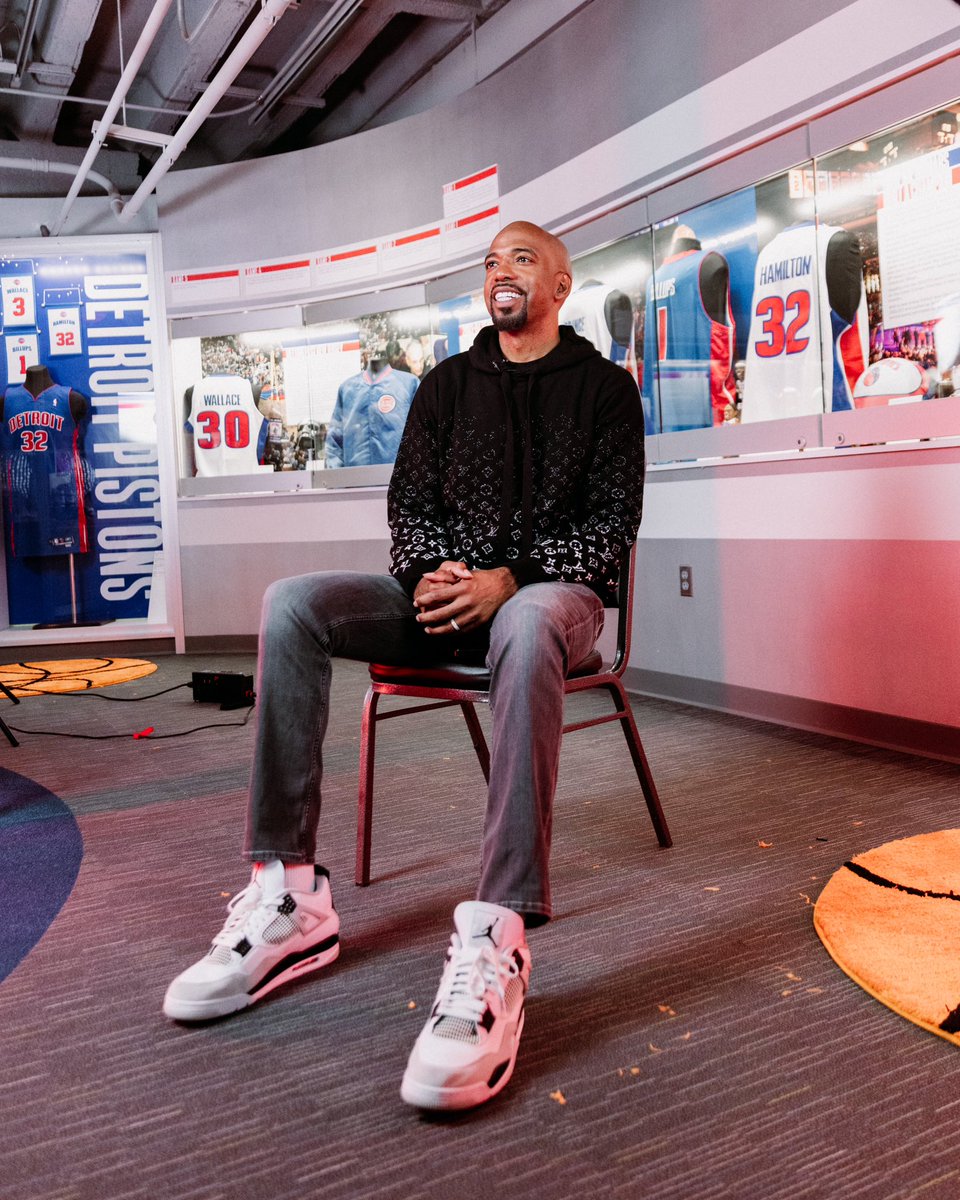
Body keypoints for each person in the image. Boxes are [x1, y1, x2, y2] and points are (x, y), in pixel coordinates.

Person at [163, 221, 647, 1112]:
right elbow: (410, 508)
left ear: (562, 286)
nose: (500, 273)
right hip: (442, 599)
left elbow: (610, 529)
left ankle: (498, 930)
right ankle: (289, 895)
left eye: (522, 261)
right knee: (292, 603)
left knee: (532, 620)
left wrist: (512, 579)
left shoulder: (607, 391)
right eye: (491, 261)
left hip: (552, 601)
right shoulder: (444, 386)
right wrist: (432, 571)